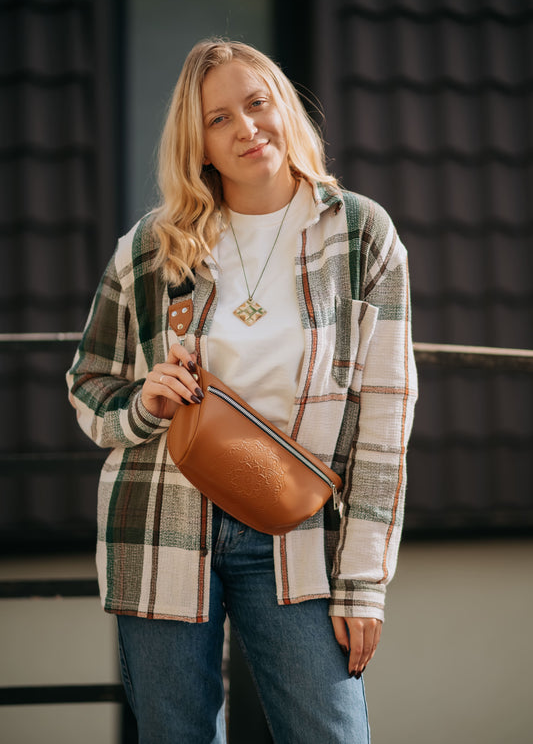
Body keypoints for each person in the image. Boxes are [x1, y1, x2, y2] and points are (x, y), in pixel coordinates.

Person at [67, 38, 417, 743]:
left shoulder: (359, 234)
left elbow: (384, 419)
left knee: (329, 732)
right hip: (159, 518)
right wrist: (143, 405)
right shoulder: (151, 247)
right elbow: (88, 384)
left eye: (256, 104)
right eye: (219, 118)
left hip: (293, 528)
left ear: (284, 107)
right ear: (197, 143)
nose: (246, 128)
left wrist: (363, 582)